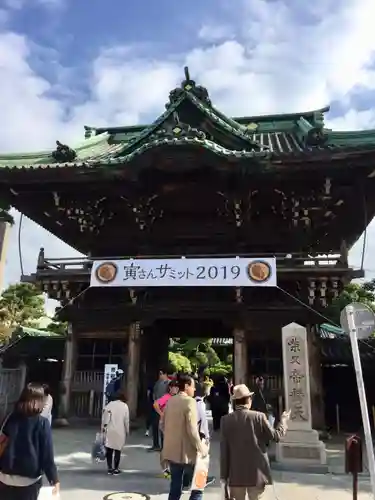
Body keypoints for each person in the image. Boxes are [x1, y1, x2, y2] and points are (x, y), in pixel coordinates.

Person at [220, 384, 290, 500]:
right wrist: (283, 422)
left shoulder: (225, 420)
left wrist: (223, 477)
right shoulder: (259, 417)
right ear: (249, 400)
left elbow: (224, 451)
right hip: (257, 473)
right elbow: (276, 436)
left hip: (235, 474)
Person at [0, 382, 60, 500]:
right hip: (28, 482)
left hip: (4, 478)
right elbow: (47, 456)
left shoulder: (10, 418)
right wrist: (54, 480)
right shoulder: (42, 423)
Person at [162, 373, 208, 500]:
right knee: (197, 488)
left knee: (175, 487)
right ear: (187, 386)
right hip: (187, 453)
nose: (194, 389)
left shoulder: (170, 400)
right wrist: (201, 448)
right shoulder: (190, 402)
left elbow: (162, 424)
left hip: (172, 451)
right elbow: (192, 430)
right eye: (193, 386)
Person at [102, 391, 130, 475]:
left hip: (110, 430)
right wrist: (127, 430)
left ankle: (109, 468)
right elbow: (126, 420)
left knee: (109, 450)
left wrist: (103, 428)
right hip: (120, 430)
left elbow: (105, 419)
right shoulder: (125, 406)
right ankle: (116, 469)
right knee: (118, 450)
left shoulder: (109, 405)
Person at [150, 368, 169, 451]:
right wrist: (155, 399)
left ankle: (163, 446)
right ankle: (155, 444)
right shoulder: (157, 383)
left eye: (161, 374)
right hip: (157, 406)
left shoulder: (169, 383)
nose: (160, 375)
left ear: (165, 374)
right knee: (155, 425)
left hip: (164, 407)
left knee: (162, 427)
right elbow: (154, 392)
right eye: (159, 374)